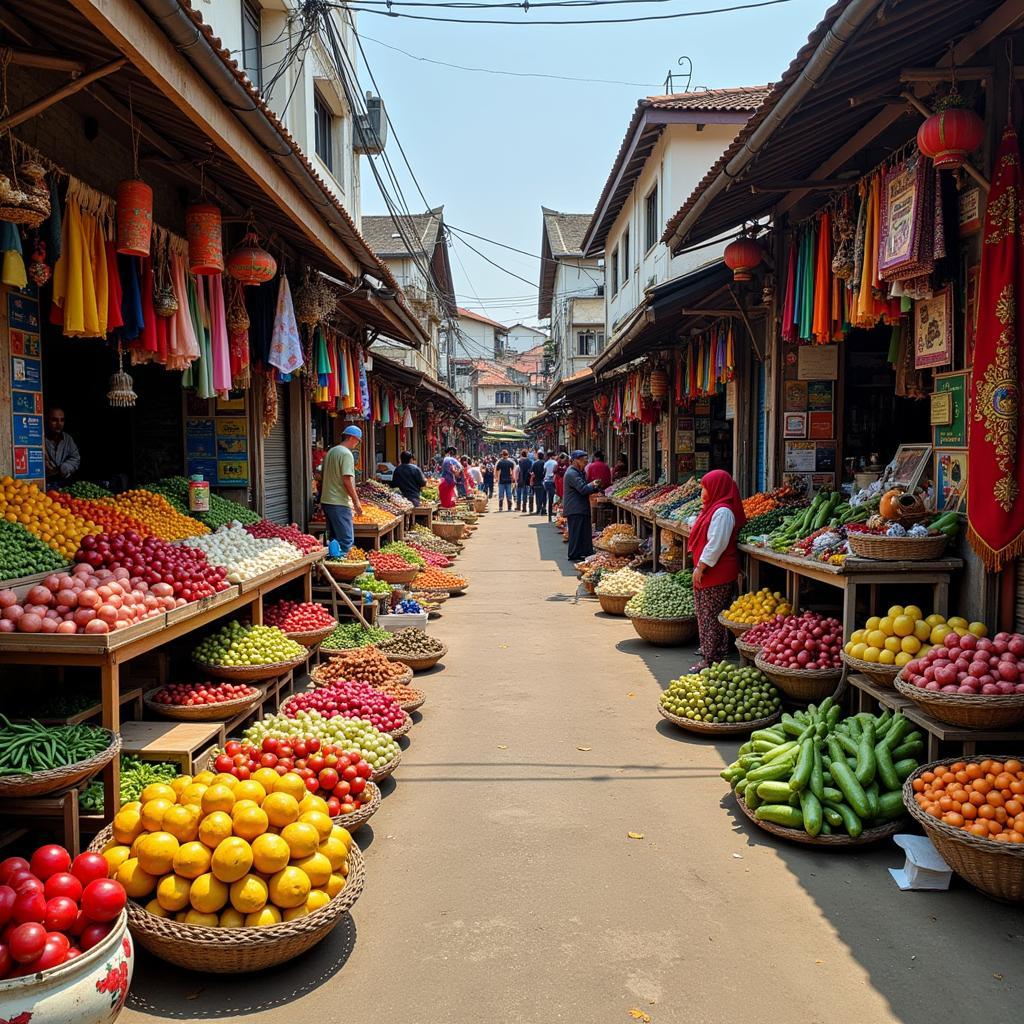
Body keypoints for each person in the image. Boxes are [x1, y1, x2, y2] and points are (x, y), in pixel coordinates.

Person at [687, 469, 747, 668]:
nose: (702, 493)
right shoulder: (713, 509)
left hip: (717, 572)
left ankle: (710, 659)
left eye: (704, 488)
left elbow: (717, 543)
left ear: (715, 488)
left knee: (710, 617)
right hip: (713, 571)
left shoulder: (723, 512)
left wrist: (701, 566)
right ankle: (714, 655)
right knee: (709, 615)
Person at [320, 425, 365, 555]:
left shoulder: (331, 452)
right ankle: (346, 572)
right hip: (339, 501)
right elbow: (346, 479)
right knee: (346, 541)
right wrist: (356, 502)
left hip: (327, 500)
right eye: (357, 441)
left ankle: (334, 568)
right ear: (351, 437)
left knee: (334, 540)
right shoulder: (346, 454)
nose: (357, 444)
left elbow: (322, 476)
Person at [563, 450, 604, 560]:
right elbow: (583, 489)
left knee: (584, 532)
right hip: (575, 508)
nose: (586, 461)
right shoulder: (572, 473)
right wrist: (594, 484)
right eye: (584, 458)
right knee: (576, 534)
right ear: (576, 460)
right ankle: (574, 555)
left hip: (579, 507)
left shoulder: (577, 472)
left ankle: (584, 553)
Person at [44, 407, 81, 485]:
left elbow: (75, 458)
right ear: (47, 420)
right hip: (45, 483)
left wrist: (64, 468)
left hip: (64, 482)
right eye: (54, 420)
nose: (59, 424)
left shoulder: (68, 439)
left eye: (62, 420)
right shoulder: (39, 439)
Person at [542, 450, 558, 522]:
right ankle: (554, 516)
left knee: (550, 499)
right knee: (555, 499)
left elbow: (544, 472)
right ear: (553, 456)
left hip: (547, 482)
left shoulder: (546, 463)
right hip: (553, 482)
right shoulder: (555, 462)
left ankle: (549, 516)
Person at [516, 448, 534, 513]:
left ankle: (524, 508)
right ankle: (531, 508)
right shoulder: (530, 461)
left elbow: (521, 471)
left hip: (522, 479)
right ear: (527, 454)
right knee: (530, 493)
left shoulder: (520, 461)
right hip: (528, 479)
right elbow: (531, 470)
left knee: (524, 493)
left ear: (521, 454)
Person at [532, 449, 548, 517]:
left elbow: (532, 473)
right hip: (544, 481)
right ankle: (544, 509)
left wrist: (532, 481)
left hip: (536, 482)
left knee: (538, 496)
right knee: (544, 496)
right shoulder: (545, 463)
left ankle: (538, 509)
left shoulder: (535, 463)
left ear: (538, 456)